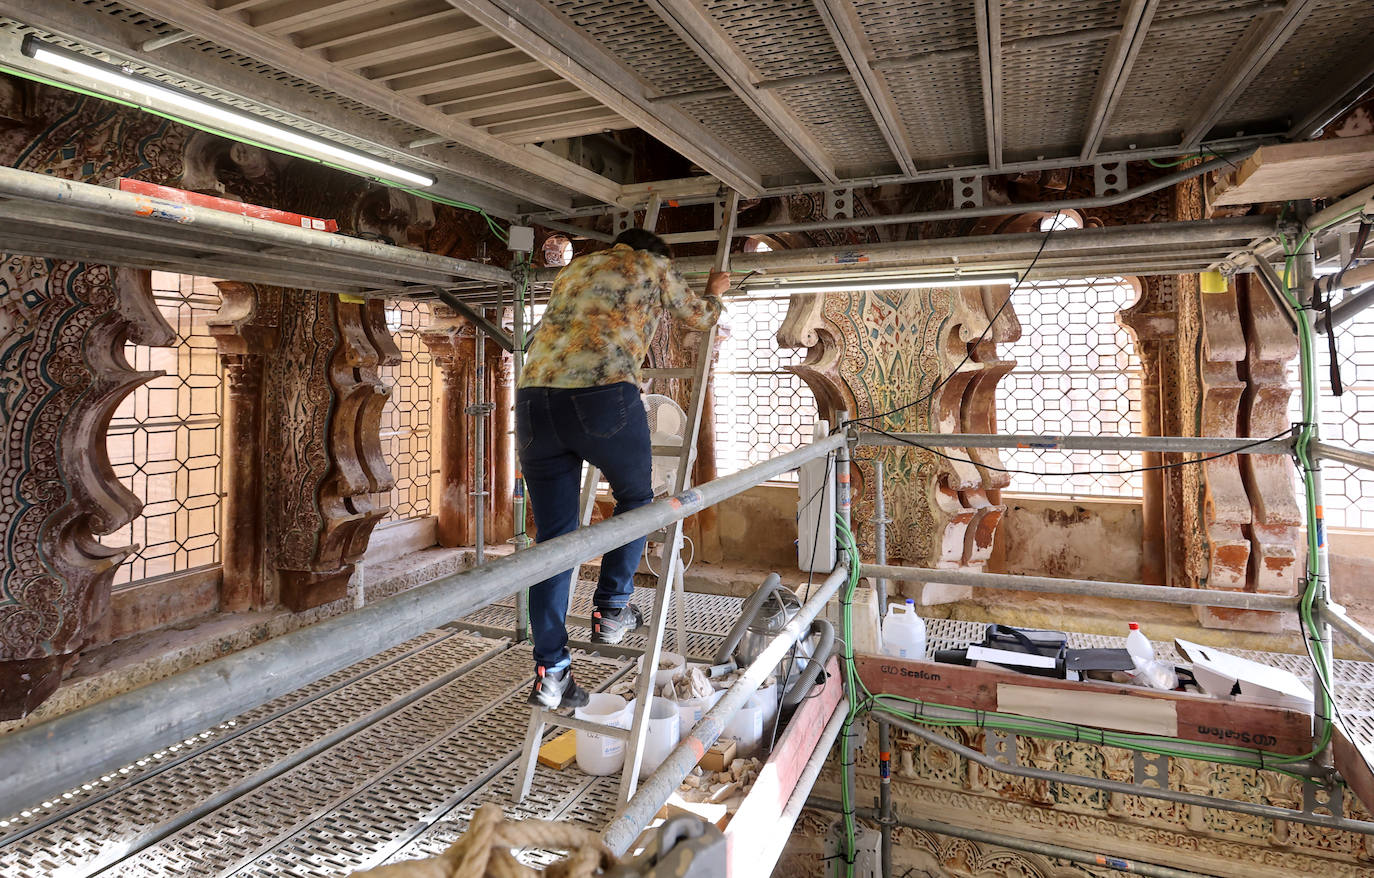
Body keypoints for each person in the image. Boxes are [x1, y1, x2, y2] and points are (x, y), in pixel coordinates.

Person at [516, 228, 727, 709]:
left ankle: (552, 673)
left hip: (533, 404)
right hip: (602, 398)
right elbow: (700, 317)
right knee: (636, 503)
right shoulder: (653, 265)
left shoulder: (573, 269)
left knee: (554, 541)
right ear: (658, 253)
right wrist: (715, 293)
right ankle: (611, 608)